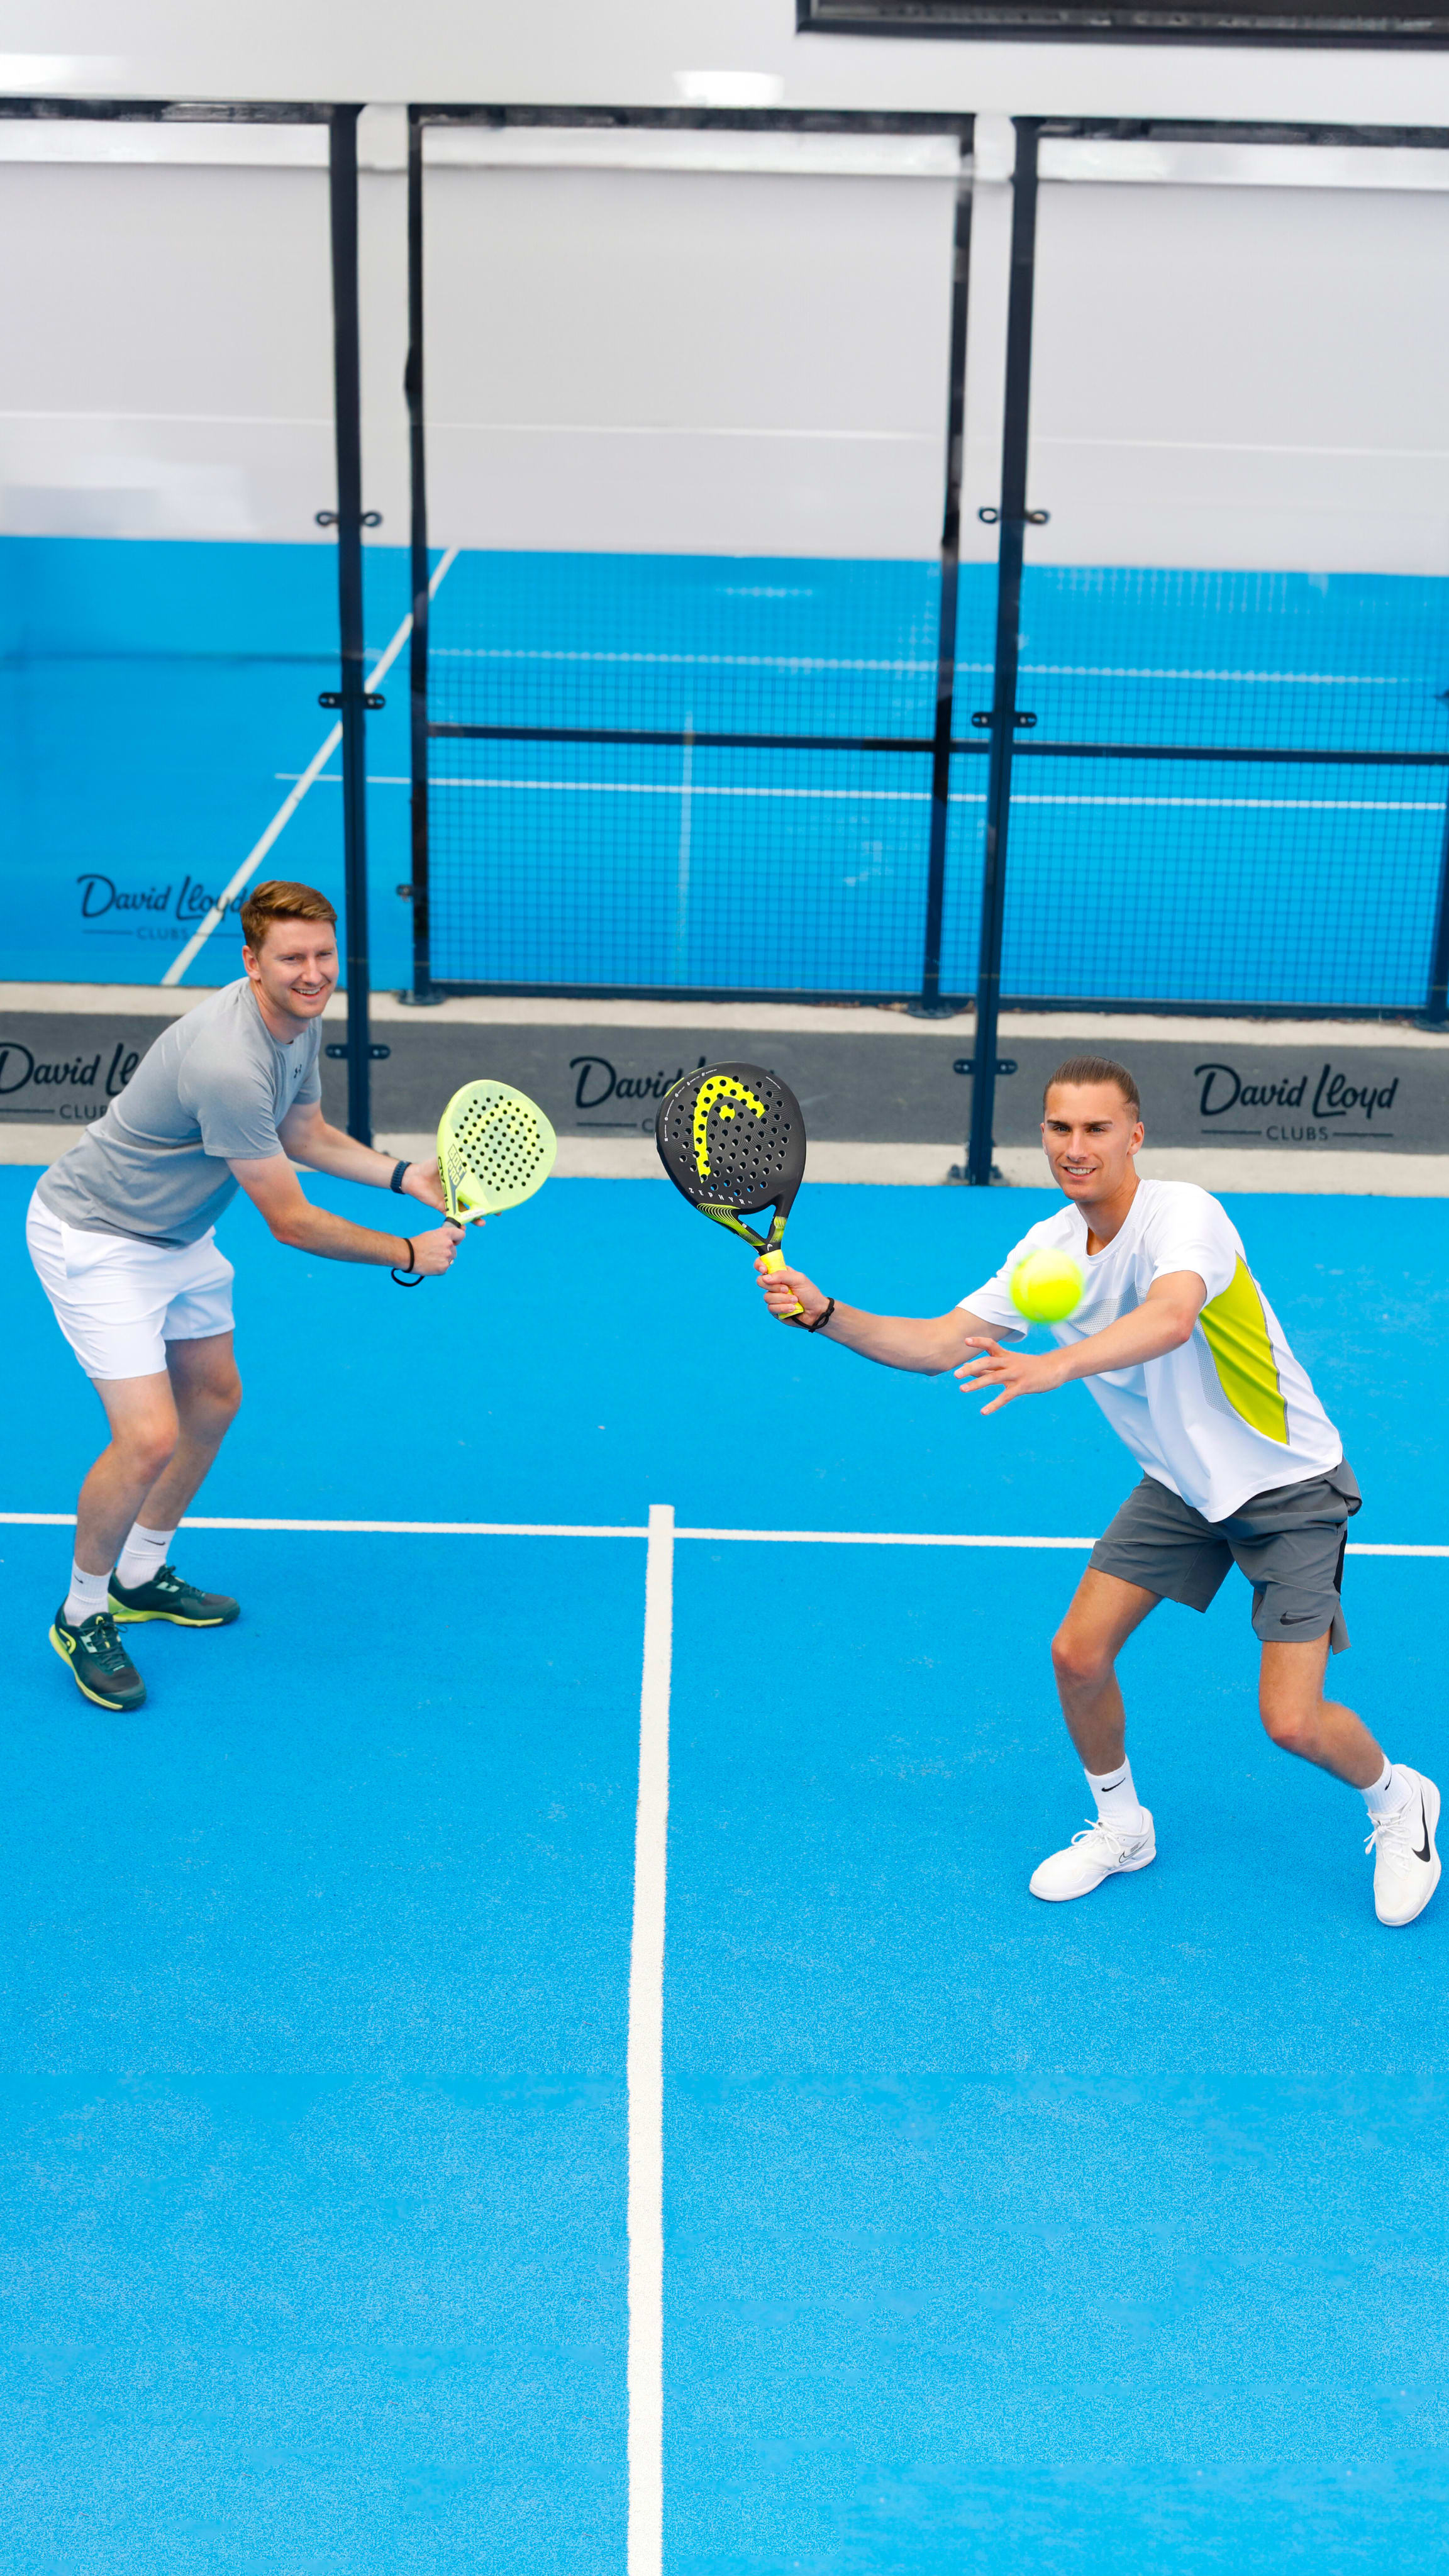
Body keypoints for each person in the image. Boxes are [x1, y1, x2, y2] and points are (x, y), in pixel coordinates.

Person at [757, 1053, 1440, 1931]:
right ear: (1043, 1135)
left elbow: (1171, 1316)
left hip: (1286, 1484)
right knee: (1077, 1654)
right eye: (1060, 1129)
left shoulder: (1182, 1214)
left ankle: (1398, 1800)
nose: (1077, 1147)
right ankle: (1125, 1828)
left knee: (1292, 1720)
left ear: (1135, 1135)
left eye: (1096, 1129)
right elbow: (935, 1345)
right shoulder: (1045, 1249)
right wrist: (824, 1313)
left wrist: (1057, 1364)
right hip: (1181, 1489)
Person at [27, 879, 464, 1714]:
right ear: (251, 963)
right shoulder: (228, 1064)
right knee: (149, 1437)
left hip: (178, 1234)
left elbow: (303, 1135)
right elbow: (291, 1223)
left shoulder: (296, 1020)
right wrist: (408, 1250)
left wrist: (406, 1176)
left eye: (323, 956)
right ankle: (82, 1613)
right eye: (292, 958)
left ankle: (141, 1574)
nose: (312, 973)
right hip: (99, 1239)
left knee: (216, 1401)